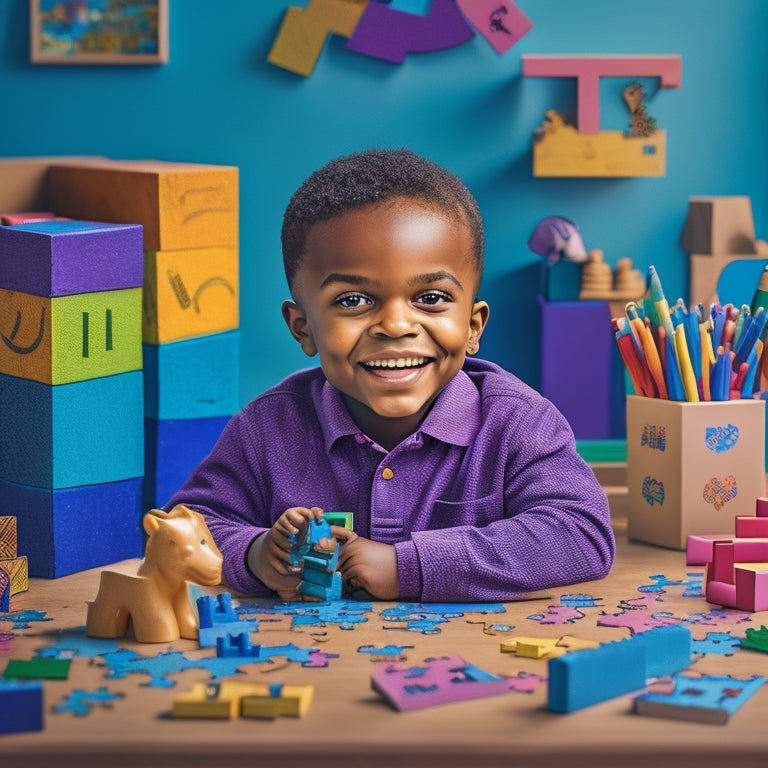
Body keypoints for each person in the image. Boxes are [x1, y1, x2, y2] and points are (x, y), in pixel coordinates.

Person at [165, 148, 615, 602]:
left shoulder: (520, 423)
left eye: (432, 298)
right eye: (352, 301)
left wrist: (407, 566)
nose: (397, 326)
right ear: (303, 328)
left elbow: (580, 534)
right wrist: (257, 555)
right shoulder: (267, 428)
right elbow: (185, 526)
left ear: (473, 326)